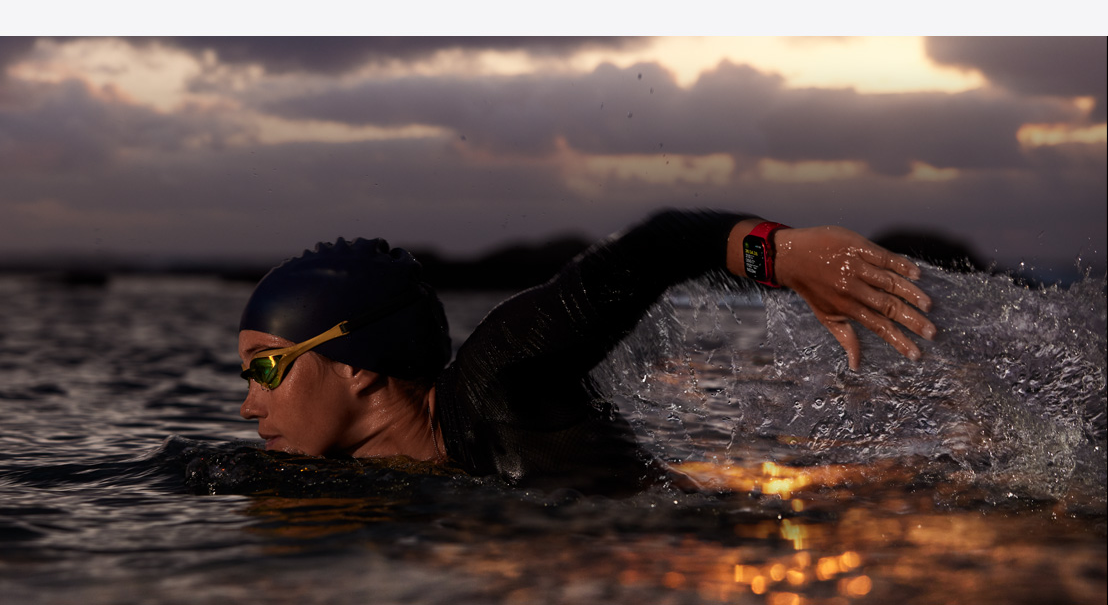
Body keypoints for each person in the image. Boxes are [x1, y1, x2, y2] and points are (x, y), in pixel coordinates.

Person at [238, 210, 936, 494]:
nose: (248, 404)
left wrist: (778, 253)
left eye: (267, 367)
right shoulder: (378, 480)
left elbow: (650, 249)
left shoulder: (496, 379)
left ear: (358, 363)